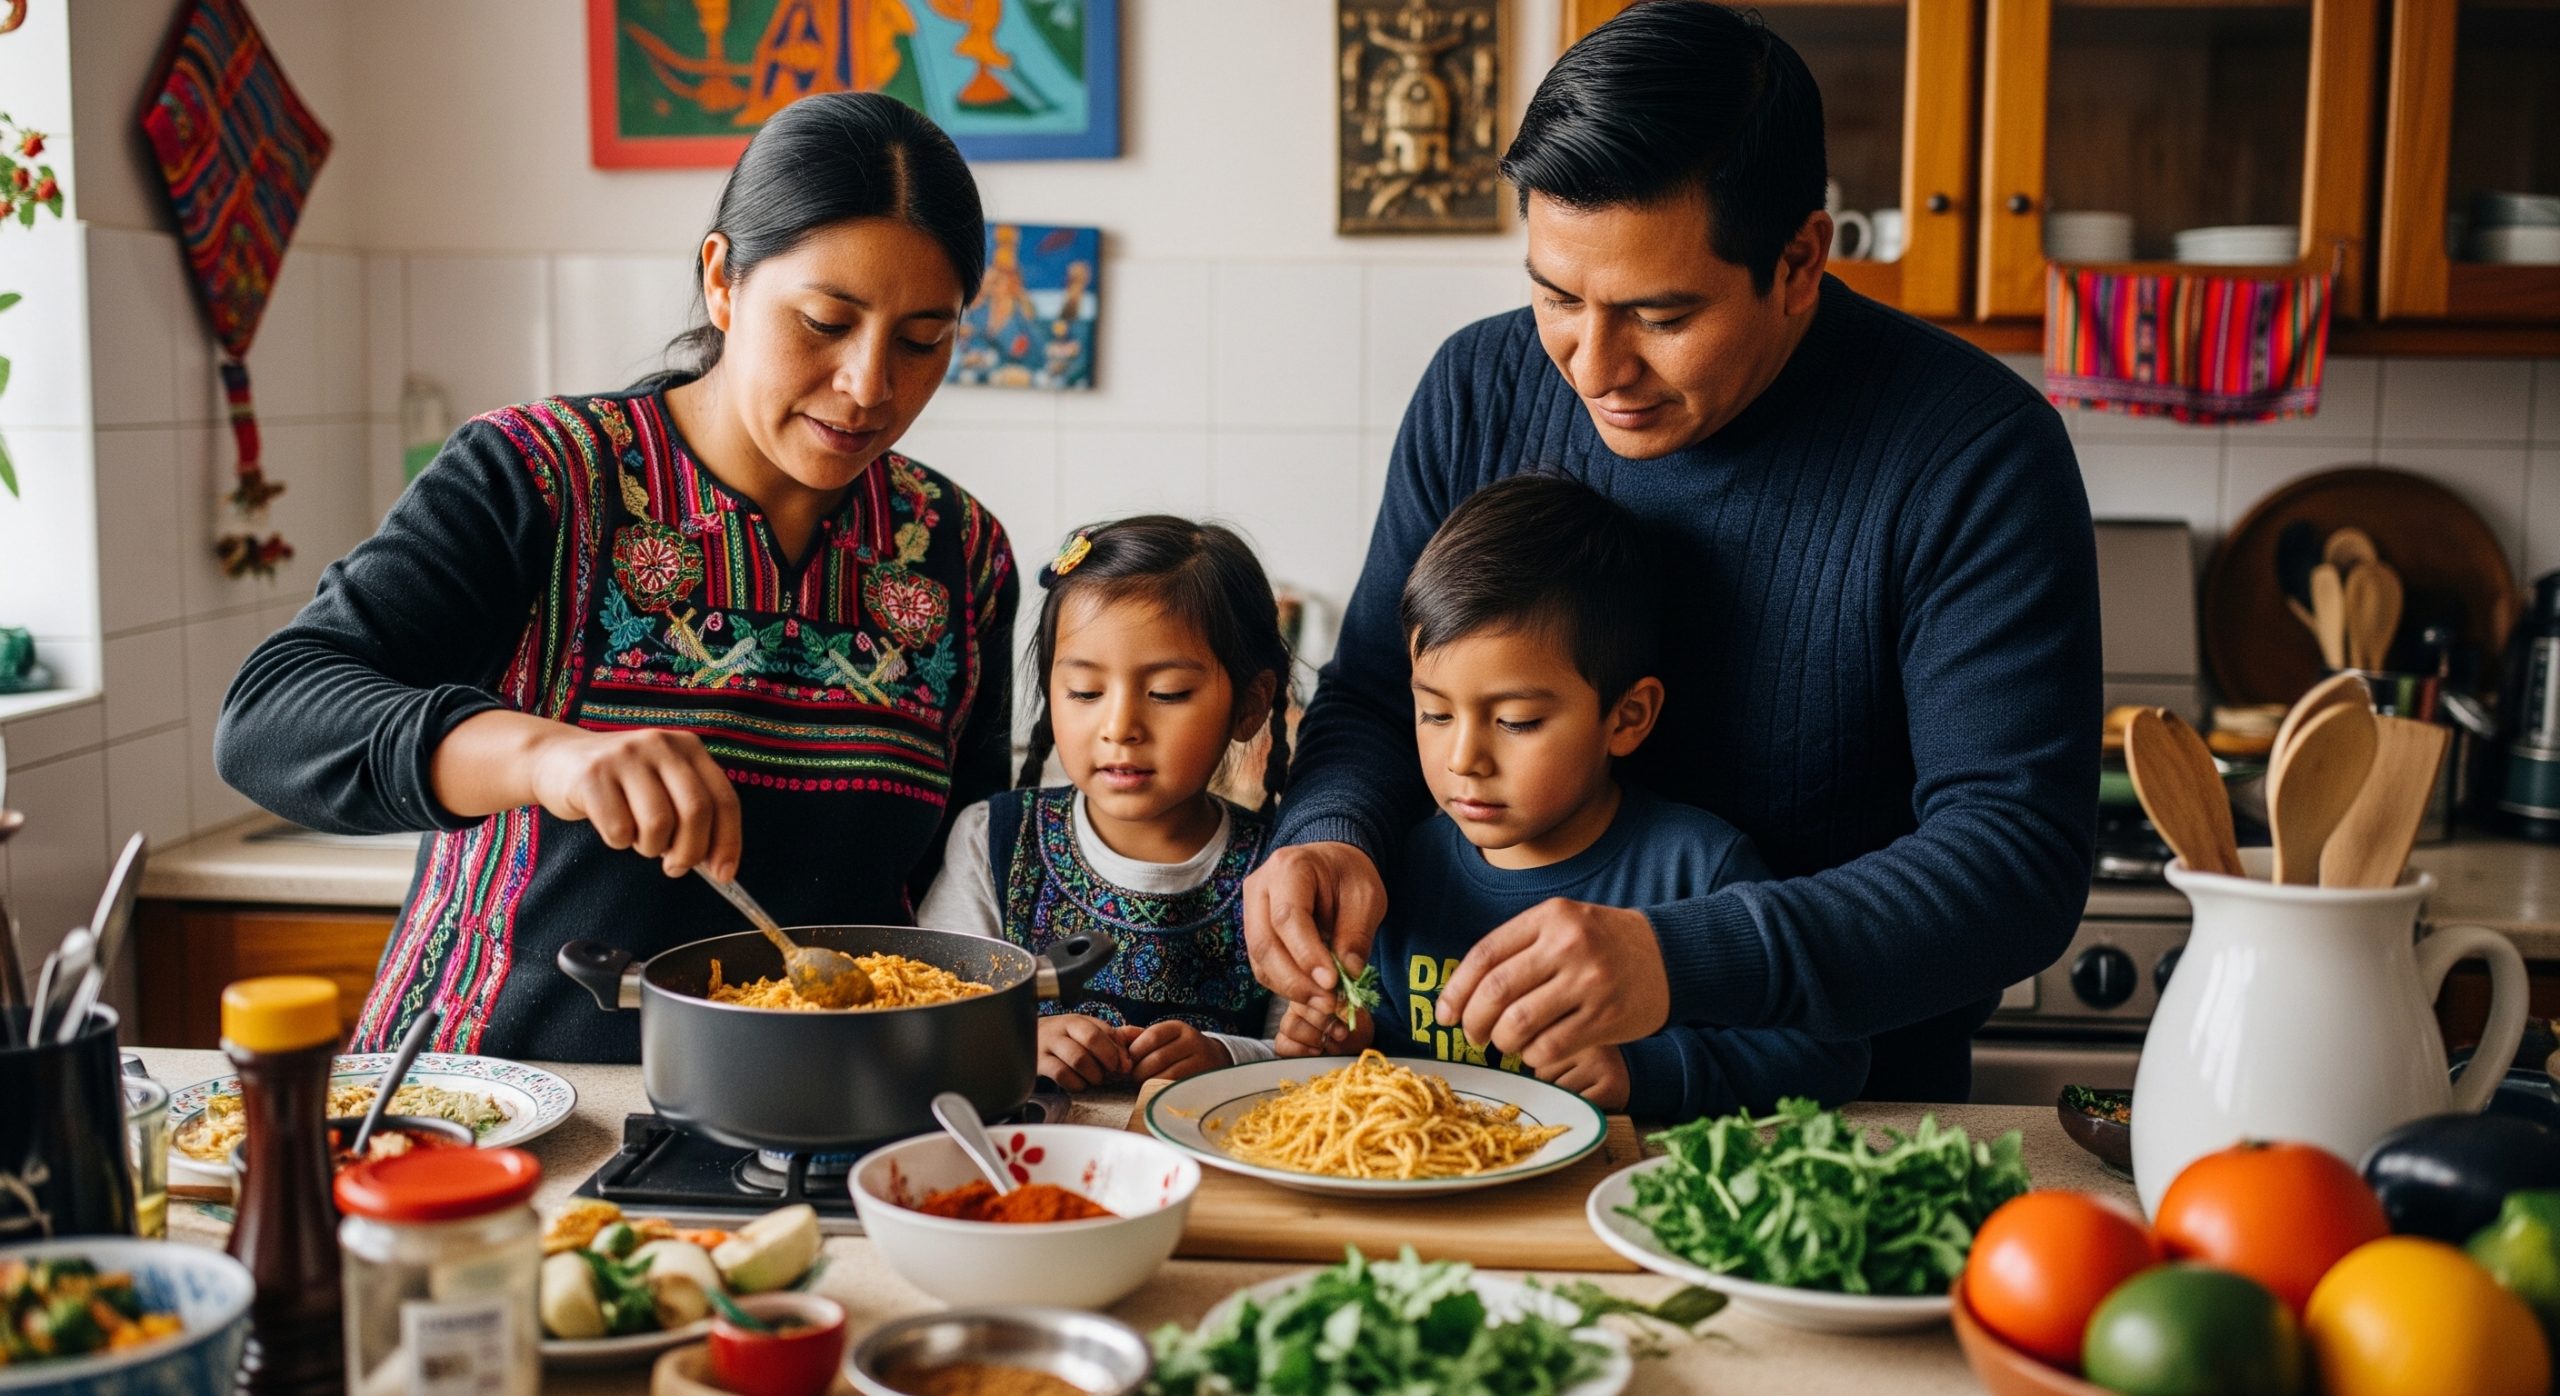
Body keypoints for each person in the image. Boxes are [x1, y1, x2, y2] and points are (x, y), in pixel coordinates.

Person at [1245, 0, 2101, 1103]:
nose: (1593, 365)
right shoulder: (1478, 389)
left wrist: (1675, 959)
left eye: (1658, 313)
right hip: (1478, 1107)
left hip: (1837, 1123)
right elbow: (1370, 692)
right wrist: (1332, 835)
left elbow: (2012, 864)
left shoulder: (1974, 454)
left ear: (1798, 260)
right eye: (1556, 294)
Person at [215, 93, 1018, 1061]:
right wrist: (543, 757)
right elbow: (268, 718)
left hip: (831, 1117)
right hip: (503, 1111)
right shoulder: (542, 477)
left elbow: (962, 875)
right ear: (722, 280)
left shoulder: (957, 551)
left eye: (922, 340)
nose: (869, 385)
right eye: (823, 322)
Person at [1274, 475, 1868, 1119]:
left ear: (1627, 716)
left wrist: (1647, 1072)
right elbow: (1390, 1043)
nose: (1463, 760)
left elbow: (1831, 1055)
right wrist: (1349, 1041)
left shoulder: (1697, 869)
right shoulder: (1399, 869)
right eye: (1435, 715)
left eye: (1518, 721)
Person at [918, 517, 1293, 1090]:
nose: (1120, 727)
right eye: (1086, 692)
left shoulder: (1280, 868)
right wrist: (1022, 1041)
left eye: (1167, 693)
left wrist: (1224, 1058)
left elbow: (1308, 1054)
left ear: (1249, 704)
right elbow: (930, 1020)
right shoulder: (993, 840)